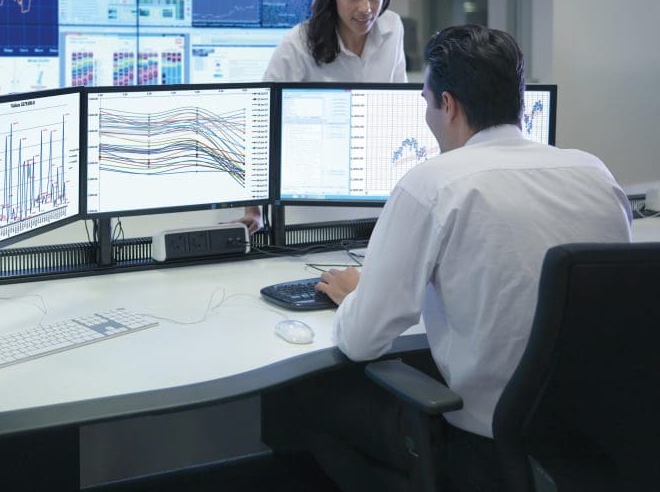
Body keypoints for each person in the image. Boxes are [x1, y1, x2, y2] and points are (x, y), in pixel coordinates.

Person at [271, 25, 633, 491]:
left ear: (448, 105)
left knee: (303, 394)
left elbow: (362, 342)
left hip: (487, 445)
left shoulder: (434, 184)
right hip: (594, 439)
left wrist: (354, 295)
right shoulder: (595, 173)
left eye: (425, 102)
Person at [239, 0, 408, 234]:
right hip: (310, 200)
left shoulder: (393, 29)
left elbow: (398, 113)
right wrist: (253, 209)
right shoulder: (298, 44)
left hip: (374, 195)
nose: (366, 8)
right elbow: (260, 122)